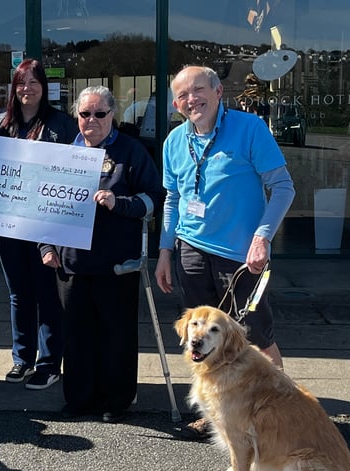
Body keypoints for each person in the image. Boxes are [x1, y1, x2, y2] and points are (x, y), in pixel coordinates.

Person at [154, 65, 295, 439]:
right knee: (203, 338)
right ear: (175, 104)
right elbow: (172, 199)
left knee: (255, 335)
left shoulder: (249, 129)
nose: (191, 99)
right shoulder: (174, 141)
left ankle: (280, 412)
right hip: (190, 251)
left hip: (242, 256)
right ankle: (218, 412)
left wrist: (263, 237)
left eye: (198, 90)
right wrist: (165, 251)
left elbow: (283, 187)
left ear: (218, 92)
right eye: (183, 95)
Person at [39, 86, 165, 422]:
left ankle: (116, 400)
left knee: (116, 335)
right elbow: (44, 205)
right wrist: (46, 246)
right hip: (71, 264)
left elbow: (155, 198)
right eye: (84, 114)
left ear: (113, 115)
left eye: (99, 114)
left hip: (116, 265)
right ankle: (79, 398)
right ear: (76, 117)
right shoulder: (64, 155)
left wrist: (118, 203)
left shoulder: (131, 151)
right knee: (76, 335)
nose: (91, 120)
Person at [0, 58, 78, 390]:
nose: (27, 89)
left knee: (47, 295)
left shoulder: (61, 124)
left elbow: (74, 170)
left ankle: (49, 362)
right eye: (21, 83)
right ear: (13, 88)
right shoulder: (2, 123)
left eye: (34, 82)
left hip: (47, 224)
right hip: (9, 222)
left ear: (44, 87)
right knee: (18, 293)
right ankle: (22, 358)